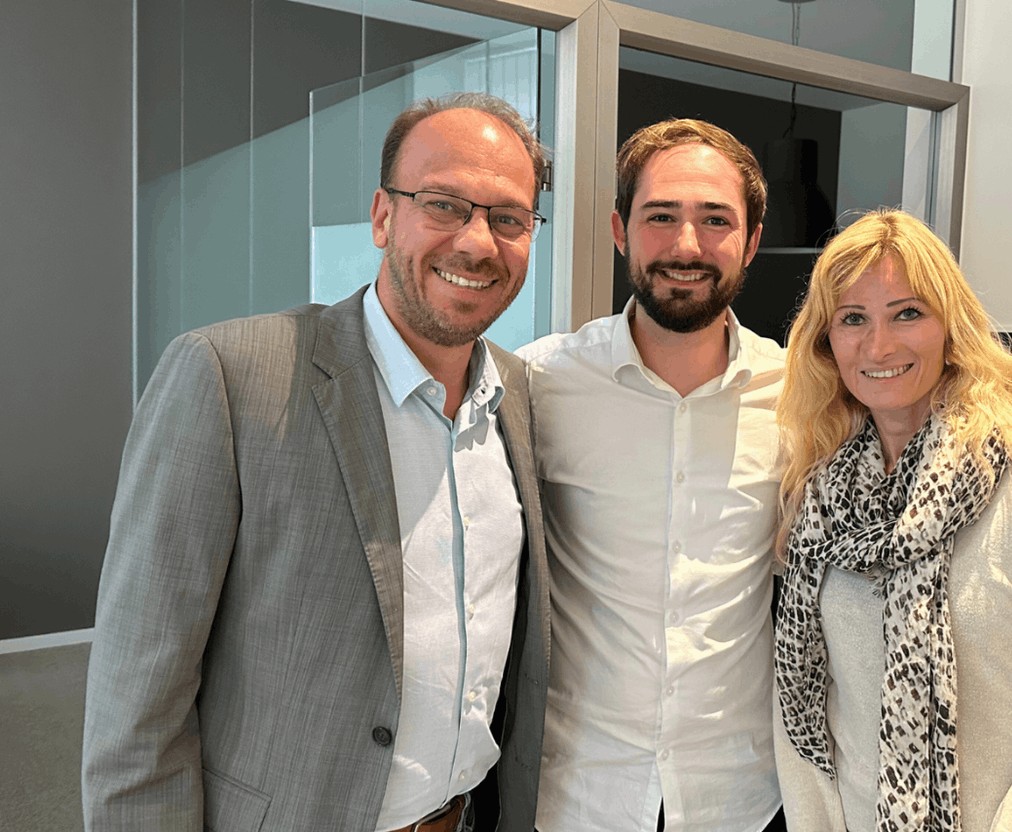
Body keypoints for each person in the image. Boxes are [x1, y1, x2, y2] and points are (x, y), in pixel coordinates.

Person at [81, 92, 550, 832]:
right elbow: (136, 700)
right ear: (381, 216)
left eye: (508, 218)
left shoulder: (520, 399)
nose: (477, 242)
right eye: (445, 205)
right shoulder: (229, 376)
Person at [772, 209, 1012, 832]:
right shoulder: (820, 498)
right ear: (826, 344)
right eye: (853, 319)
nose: (879, 346)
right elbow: (802, 707)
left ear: (951, 327)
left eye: (908, 313)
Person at [517, 119, 785, 832]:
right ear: (619, 229)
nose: (686, 246)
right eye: (660, 216)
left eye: (715, 220)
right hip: (576, 793)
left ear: (751, 239)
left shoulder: (801, 397)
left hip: (741, 797)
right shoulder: (541, 383)